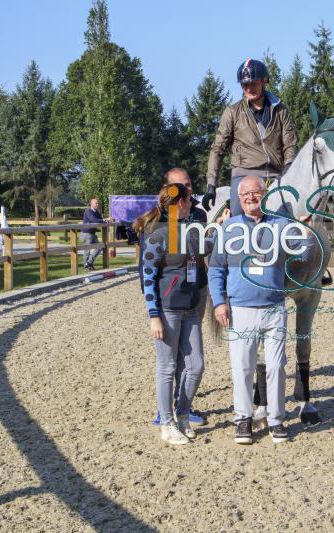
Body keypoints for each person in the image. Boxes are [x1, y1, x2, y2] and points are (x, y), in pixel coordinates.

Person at [208, 175, 316, 445]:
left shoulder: (280, 225)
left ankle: (277, 419)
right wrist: (219, 302)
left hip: (274, 307)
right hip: (241, 308)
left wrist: (306, 235)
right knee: (242, 366)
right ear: (239, 197)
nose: (250, 198)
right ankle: (243, 418)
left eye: (255, 193)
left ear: (264, 195)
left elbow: (301, 254)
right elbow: (216, 268)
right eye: (245, 194)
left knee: (277, 366)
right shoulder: (229, 227)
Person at [135, 183, 206, 445]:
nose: (191, 206)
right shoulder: (157, 235)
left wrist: (226, 226)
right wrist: (154, 315)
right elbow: (148, 276)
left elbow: (209, 246)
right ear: (179, 204)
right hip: (167, 310)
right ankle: (167, 423)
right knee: (167, 368)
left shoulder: (189, 232)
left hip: (190, 308)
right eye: (188, 202)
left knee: (196, 365)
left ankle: (183, 414)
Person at [149, 168, 209, 427]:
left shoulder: (198, 216)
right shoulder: (158, 226)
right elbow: (149, 270)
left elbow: (203, 250)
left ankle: (182, 409)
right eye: (181, 187)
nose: (188, 190)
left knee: (191, 360)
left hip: (193, 294)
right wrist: (154, 311)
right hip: (168, 300)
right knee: (167, 362)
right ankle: (166, 415)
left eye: (188, 184)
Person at [202, 58, 298, 217]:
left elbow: (290, 144)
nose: (248, 88)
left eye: (253, 83)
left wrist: (289, 165)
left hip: (274, 175)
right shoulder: (232, 112)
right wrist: (211, 184)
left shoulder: (281, 110)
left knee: (287, 218)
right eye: (245, 84)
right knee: (239, 214)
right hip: (243, 174)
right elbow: (218, 149)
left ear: (264, 81)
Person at [81, 198, 111, 271]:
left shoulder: (96, 211)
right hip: (86, 233)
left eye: (98, 203)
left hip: (92, 233)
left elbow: (100, 219)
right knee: (87, 250)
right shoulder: (88, 211)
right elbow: (93, 220)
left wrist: (107, 220)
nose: (97, 204)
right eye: (96, 203)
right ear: (91, 204)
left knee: (100, 247)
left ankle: (89, 263)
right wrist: (104, 220)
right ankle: (86, 267)